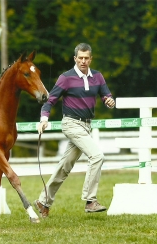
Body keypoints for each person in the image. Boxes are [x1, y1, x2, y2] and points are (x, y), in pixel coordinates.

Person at [34, 43, 115, 217]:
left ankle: (43, 201)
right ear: (75, 58)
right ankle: (90, 200)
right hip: (71, 124)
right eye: (80, 58)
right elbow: (50, 100)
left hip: (86, 126)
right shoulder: (66, 78)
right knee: (97, 156)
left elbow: (106, 94)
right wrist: (44, 119)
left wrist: (109, 100)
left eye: (86, 58)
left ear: (91, 59)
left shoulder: (98, 77)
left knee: (65, 166)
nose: (83, 61)